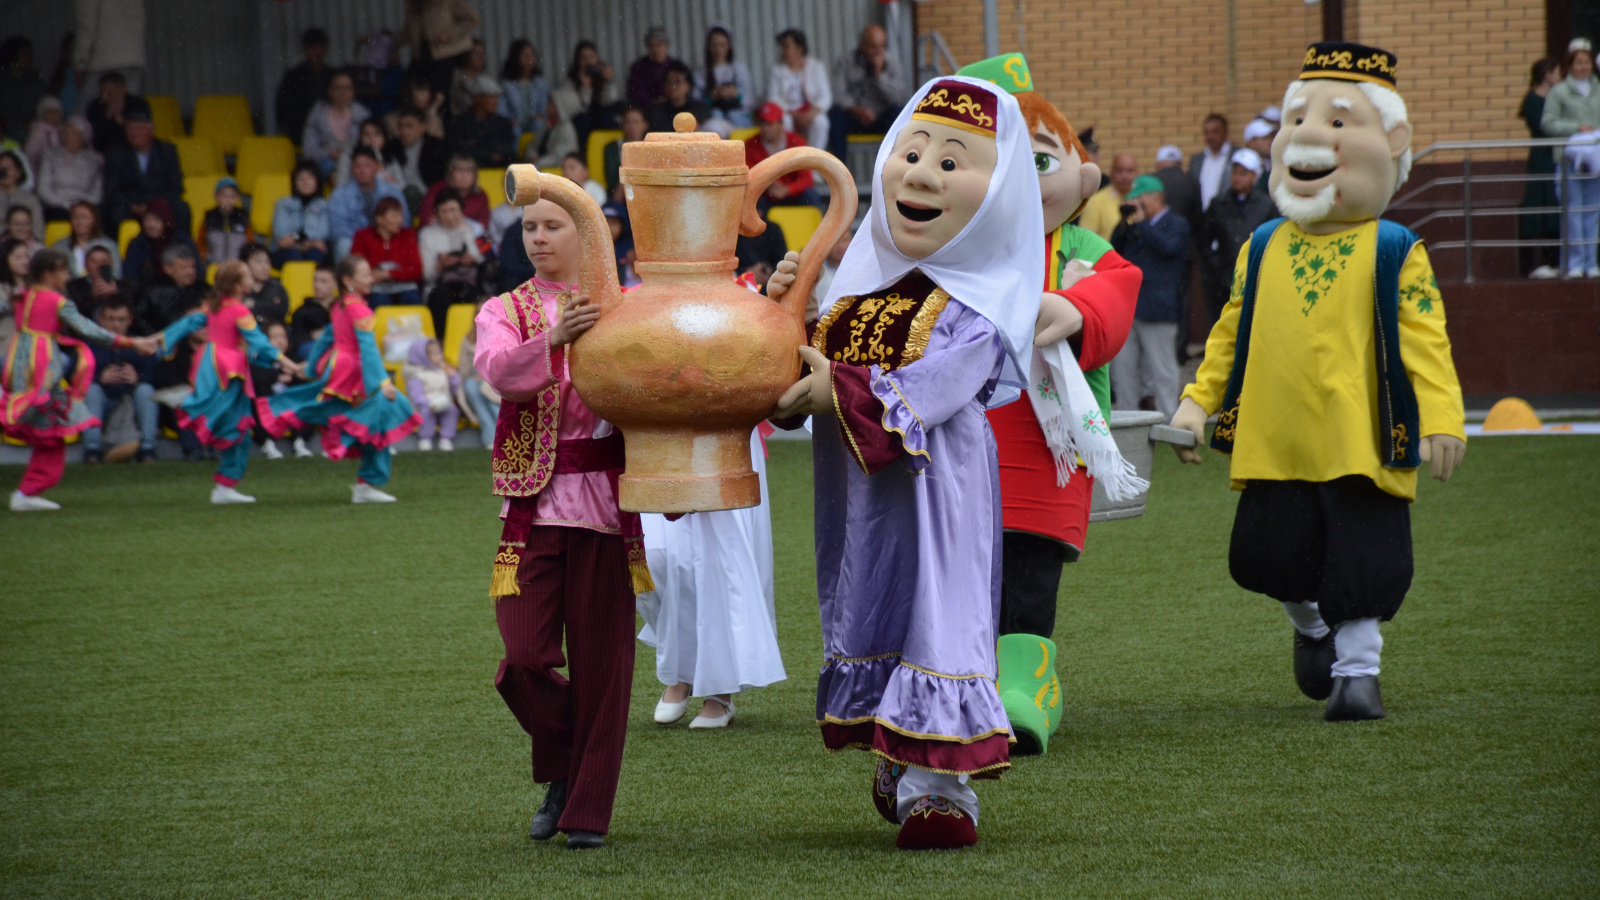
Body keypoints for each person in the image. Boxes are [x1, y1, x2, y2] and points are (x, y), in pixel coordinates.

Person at [767, 75, 1043, 850]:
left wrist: (839, 389)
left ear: (999, 197)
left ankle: (941, 792)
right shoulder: (859, 290)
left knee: (939, 617)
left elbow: (945, 381)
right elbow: (796, 364)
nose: (922, 173)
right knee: (876, 606)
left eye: (953, 164)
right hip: (862, 494)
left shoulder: (984, 302)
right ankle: (897, 750)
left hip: (939, 490)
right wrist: (779, 306)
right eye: (912, 152)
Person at [1170, 41, 1466, 722]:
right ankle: (1310, 627)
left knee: (1365, 559)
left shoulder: (1394, 249)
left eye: (1337, 122)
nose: (1308, 136)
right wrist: (1194, 402)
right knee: (1265, 556)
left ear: (1391, 144)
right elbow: (1228, 335)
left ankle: (1359, 674)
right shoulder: (1264, 244)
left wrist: (1443, 417)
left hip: (1360, 437)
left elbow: (1428, 343)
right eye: (1298, 119)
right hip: (1275, 437)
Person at [955, 53, 1144, 756]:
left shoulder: (1081, 246)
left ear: (1082, 173)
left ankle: (1027, 688)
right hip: (961, 440)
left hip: (1047, 443)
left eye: (1037, 160)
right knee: (963, 569)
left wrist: (1071, 303)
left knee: (1028, 571)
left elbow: (1117, 289)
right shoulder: (950, 253)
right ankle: (966, 685)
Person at [475, 194, 654, 852]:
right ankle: (564, 760)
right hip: (534, 506)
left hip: (609, 507)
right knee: (522, 658)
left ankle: (585, 812)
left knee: (605, 668)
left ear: (590, 234)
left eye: (554, 225)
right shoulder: (505, 310)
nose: (539, 238)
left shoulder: (631, 305)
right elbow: (497, 372)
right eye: (530, 227)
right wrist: (551, 339)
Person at [638, 423, 783, 730]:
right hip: (659, 420)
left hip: (725, 419)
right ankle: (683, 670)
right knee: (654, 558)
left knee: (719, 560)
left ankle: (720, 689)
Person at [2, 248, 157, 511]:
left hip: (18, 363)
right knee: (51, 425)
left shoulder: (22, 295)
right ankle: (27, 492)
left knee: (41, 424)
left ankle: (28, 491)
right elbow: (91, 330)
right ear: (49, 274)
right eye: (63, 271)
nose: (68, 275)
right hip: (41, 366)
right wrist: (133, 342)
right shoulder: (57, 301)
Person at [259, 254, 421, 503]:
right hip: (352, 373)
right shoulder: (358, 309)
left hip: (342, 369)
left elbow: (327, 336)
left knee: (366, 420)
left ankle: (365, 481)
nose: (371, 278)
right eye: (365, 274)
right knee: (377, 415)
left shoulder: (342, 304)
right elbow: (367, 348)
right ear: (348, 280)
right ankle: (364, 479)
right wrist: (383, 382)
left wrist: (311, 367)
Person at [156, 260, 304, 504]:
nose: (251, 279)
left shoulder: (215, 305)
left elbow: (188, 323)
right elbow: (260, 342)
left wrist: (160, 340)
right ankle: (192, 405)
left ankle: (224, 485)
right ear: (237, 285)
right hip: (227, 368)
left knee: (235, 428)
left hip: (212, 365)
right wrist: (289, 364)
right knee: (233, 425)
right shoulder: (239, 310)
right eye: (247, 276)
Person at [1110, 174, 1188, 419]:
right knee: (1123, 370)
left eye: (1140, 199)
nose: (1136, 205)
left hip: (1159, 308)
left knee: (1162, 370)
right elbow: (1115, 250)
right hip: (1129, 307)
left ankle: (1169, 419)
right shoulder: (1134, 225)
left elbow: (1169, 249)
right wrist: (1125, 223)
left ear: (1157, 197)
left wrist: (1143, 224)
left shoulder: (1177, 224)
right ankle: (1126, 419)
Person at [1542, 38, 1600, 278]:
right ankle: (1574, 263)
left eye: (1587, 62)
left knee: (1593, 211)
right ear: (1570, 65)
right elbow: (1548, 123)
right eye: (1579, 62)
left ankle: (1591, 262)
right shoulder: (1559, 91)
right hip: (1570, 160)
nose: (1584, 67)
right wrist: (1577, 127)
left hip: (1596, 161)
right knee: (1573, 211)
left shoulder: (1598, 88)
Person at [1199, 148, 1277, 325]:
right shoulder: (1218, 203)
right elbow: (1204, 239)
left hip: (1256, 276)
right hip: (1224, 278)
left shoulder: (1266, 205)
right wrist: (1216, 265)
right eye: (1235, 172)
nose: (1237, 177)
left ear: (1255, 176)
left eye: (1244, 173)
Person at [81, 294, 158, 464]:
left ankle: (147, 450)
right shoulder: (90, 345)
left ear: (130, 320)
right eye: (111, 319)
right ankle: (92, 450)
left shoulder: (140, 345)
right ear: (101, 319)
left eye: (121, 319)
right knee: (91, 390)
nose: (116, 324)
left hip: (131, 401)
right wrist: (99, 378)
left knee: (146, 390)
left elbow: (154, 377)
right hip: (104, 402)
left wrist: (138, 379)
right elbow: (76, 378)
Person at [828, 25, 910, 160]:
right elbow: (838, 94)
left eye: (882, 46)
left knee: (899, 113)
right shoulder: (845, 62)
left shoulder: (891, 63)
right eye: (873, 47)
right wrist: (859, 111)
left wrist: (879, 76)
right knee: (834, 115)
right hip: (854, 117)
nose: (879, 51)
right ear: (862, 45)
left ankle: (890, 165)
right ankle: (839, 168)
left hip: (881, 118)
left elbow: (900, 97)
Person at [102, 110, 187, 237]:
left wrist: (155, 205)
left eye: (139, 128)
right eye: (130, 129)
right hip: (130, 205)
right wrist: (131, 206)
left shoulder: (167, 151)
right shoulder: (116, 153)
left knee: (181, 209)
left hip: (159, 202)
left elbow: (176, 186)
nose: (134, 133)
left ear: (151, 131)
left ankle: (182, 251)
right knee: (112, 212)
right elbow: (111, 189)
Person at [545, 41, 620, 168]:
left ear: (597, 59)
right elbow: (572, 107)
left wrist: (609, 81)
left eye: (591, 57)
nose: (588, 61)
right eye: (583, 58)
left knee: (608, 118)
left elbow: (611, 102)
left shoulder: (602, 80)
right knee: (582, 120)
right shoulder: (570, 82)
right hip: (580, 124)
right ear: (578, 61)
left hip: (598, 120)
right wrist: (583, 84)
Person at [1521, 58, 1564, 279]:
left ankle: (1553, 260)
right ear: (1547, 74)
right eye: (1557, 72)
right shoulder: (1534, 100)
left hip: (1553, 156)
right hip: (1542, 157)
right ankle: (1534, 264)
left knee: (1553, 205)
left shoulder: (1556, 98)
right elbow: (1543, 127)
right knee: (1540, 202)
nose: (1560, 76)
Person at [418, 188, 483, 334]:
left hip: (470, 282)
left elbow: (486, 260)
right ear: (436, 213)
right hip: (441, 285)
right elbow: (426, 276)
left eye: (453, 210)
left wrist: (473, 259)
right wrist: (440, 266)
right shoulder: (427, 235)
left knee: (479, 297)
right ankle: (441, 343)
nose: (449, 216)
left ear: (462, 211)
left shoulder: (474, 230)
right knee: (440, 296)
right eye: (444, 211)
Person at [329, 146, 408, 260]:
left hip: (386, 237)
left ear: (377, 167)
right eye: (357, 166)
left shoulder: (392, 191)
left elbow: (404, 221)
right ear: (352, 168)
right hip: (355, 239)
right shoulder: (340, 194)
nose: (362, 171)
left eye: (368, 165)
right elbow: (337, 228)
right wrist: (366, 239)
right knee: (343, 244)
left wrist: (382, 237)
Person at [350, 196, 423, 307]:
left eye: (401, 215)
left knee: (412, 300)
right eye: (394, 216)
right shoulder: (362, 236)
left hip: (405, 288)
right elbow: (357, 268)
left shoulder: (409, 235)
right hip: (375, 289)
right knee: (379, 301)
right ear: (379, 218)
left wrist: (387, 274)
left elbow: (416, 270)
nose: (400, 220)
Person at [73, 0, 147, 109]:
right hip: (134, 60)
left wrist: (80, 63)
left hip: (105, 61)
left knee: (84, 115)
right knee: (129, 113)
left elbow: (86, 27)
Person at [766, 29, 830, 153]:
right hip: (787, 112)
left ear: (800, 48)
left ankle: (814, 163)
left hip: (809, 111)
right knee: (785, 122)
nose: (782, 51)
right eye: (782, 47)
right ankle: (791, 161)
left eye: (786, 47)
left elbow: (825, 97)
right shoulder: (775, 70)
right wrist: (794, 114)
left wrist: (810, 114)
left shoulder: (816, 66)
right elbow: (772, 98)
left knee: (821, 122)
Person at [744, 102, 816, 210]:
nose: (765, 128)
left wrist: (788, 189)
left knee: (810, 195)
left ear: (781, 124)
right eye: (762, 123)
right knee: (749, 199)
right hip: (764, 195)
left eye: (769, 124)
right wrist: (766, 185)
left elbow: (807, 178)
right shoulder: (750, 144)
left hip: (792, 194)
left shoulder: (796, 142)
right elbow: (747, 177)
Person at [401, 0, 479, 99]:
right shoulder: (414, 5)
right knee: (412, 92)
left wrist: (449, 36)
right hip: (421, 57)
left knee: (441, 94)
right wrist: (390, 41)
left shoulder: (447, 2)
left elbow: (471, 20)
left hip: (444, 56)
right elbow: (408, 32)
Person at [303, 72, 371, 177]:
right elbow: (308, 150)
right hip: (326, 164)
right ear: (329, 90)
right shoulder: (317, 114)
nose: (343, 92)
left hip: (356, 162)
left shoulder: (362, 114)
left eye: (348, 88)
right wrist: (328, 153)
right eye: (338, 87)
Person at [36, 116, 102, 218]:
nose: (68, 136)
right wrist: (65, 204)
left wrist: (83, 206)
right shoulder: (50, 156)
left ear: (84, 137)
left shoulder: (94, 160)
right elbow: (43, 189)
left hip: (85, 206)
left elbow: (97, 192)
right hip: (57, 206)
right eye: (65, 132)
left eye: (73, 133)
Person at [275, 28, 331, 146]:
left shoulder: (331, 75)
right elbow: (283, 109)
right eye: (313, 48)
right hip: (300, 133)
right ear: (305, 50)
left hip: (329, 132)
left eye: (320, 48)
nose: (317, 53)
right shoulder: (292, 77)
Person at [694, 25, 755, 133]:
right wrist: (711, 97)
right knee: (715, 117)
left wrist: (736, 94)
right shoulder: (700, 72)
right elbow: (696, 101)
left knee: (734, 116)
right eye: (714, 45)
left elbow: (750, 100)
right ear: (708, 47)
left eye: (722, 45)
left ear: (729, 46)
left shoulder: (739, 69)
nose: (718, 49)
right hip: (714, 115)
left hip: (737, 115)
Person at [388, 107, 450, 211]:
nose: (404, 131)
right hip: (397, 195)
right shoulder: (392, 147)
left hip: (427, 197)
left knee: (411, 192)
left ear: (423, 127)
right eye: (401, 126)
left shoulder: (436, 147)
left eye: (409, 126)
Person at [121, 198, 193, 288]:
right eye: (147, 219)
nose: (151, 225)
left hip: (182, 291)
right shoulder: (137, 245)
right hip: (147, 294)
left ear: (166, 221)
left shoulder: (182, 241)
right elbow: (130, 278)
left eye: (156, 220)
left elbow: (196, 271)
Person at [402, 337, 459, 450]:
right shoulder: (416, 375)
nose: (440, 356)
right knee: (426, 413)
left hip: (443, 403)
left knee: (452, 410)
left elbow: (453, 390)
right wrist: (430, 403)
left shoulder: (441, 371)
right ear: (423, 357)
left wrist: (453, 377)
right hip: (425, 405)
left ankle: (446, 438)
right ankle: (425, 439)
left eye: (439, 352)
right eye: (435, 354)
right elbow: (416, 396)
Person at [271, 162, 332, 266]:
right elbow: (281, 233)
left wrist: (295, 238)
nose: (305, 182)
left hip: (308, 248)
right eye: (301, 179)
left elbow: (323, 232)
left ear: (317, 182)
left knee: (315, 256)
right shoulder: (283, 204)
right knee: (293, 256)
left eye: (310, 178)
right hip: (286, 250)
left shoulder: (323, 206)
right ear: (294, 183)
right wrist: (309, 242)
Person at [449, 75, 517, 168]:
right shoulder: (460, 122)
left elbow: (508, 148)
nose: (496, 101)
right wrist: (489, 155)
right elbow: (460, 150)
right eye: (491, 97)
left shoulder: (503, 123)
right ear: (478, 98)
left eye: (496, 97)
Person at [499, 39, 551, 149]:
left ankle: (535, 156)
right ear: (516, 58)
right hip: (515, 123)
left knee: (540, 124)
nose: (529, 59)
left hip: (533, 122)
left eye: (531, 54)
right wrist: (509, 120)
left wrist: (541, 114)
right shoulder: (507, 85)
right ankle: (516, 160)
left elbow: (545, 106)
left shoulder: (541, 84)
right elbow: (502, 109)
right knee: (514, 130)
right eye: (524, 55)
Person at [84, 71, 150, 155]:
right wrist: (107, 116)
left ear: (123, 90)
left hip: (132, 151)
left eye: (109, 93)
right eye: (102, 93)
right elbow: (92, 136)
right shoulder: (95, 106)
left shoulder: (137, 103)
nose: (105, 97)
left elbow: (142, 133)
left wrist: (119, 119)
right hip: (103, 152)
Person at [1076, 151, 1136, 241]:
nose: (1124, 176)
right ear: (1111, 173)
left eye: (1130, 171)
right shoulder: (1095, 201)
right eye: (1119, 171)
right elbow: (1086, 240)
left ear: (1138, 172)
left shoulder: (1144, 198)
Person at [455, 319, 497, 447]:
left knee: (488, 389)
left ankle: (502, 434)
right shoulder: (467, 340)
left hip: (496, 377)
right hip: (474, 378)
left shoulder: (502, 335)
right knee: (470, 386)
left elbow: (504, 363)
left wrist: (484, 375)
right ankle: (491, 436)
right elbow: (463, 369)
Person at [418, 154, 488, 228]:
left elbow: (483, 225)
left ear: (475, 175)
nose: (464, 175)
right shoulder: (437, 190)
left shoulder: (480, 195)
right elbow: (426, 220)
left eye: (469, 170)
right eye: (460, 170)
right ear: (450, 173)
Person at [332, 119, 405, 189]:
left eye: (377, 134)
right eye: (367, 135)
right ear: (361, 137)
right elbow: (340, 185)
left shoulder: (390, 158)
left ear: (384, 138)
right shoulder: (348, 156)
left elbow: (402, 185)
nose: (372, 139)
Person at [53, 201, 119, 277]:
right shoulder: (59, 247)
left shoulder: (110, 246)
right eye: (76, 217)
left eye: (84, 217)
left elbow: (116, 274)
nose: (80, 222)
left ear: (94, 220)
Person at [645, 63, 713, 136]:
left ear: (688, 85)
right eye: (669, 82)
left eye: (677, 82)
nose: (672, 86)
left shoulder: (701, 109)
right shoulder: (656, 112)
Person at [289, 260, 337, 361]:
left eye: (323, 281)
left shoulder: (343, 308)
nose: (317, 285)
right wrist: (311, 336)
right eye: (315, 280)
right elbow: (298, 342)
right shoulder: (302, 312)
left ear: (336, 284)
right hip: (312, 355)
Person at [200, 177, 253, 267]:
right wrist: (206, 257)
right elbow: (200, 242)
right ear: (216, 196)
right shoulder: (209, 218)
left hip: (237, 266)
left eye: (232, 196)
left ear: (237, 198)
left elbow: (250, 242)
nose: (228, 200)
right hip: (213, 265)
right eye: (224, 196)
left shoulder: (243, 218)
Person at [0, 37, 44, 145]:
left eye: (30, 53)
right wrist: (19, 126)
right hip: (10, 129)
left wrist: (34, 122)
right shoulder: (3, 81)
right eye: (24, 54)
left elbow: (44, 103)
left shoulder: (35, 79)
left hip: (35, 126)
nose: (29, 57)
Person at [628, 26, 684, 109]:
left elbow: (684, 90)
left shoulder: (676, 66)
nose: (656, 49)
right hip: (648, 111)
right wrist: (654, 102)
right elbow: (636, 94)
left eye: (659, 45)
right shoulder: (639, 68)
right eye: (651, 46)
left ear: (666, 46)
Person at [1188, 112, 1233, 214]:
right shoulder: (1196, 160)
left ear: (1225, 132)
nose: (1210, 136)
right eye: (1206, 133)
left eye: (1215, 132)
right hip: (1202, 216)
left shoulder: (1235, 156)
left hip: (1227, 214)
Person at [66, 244, 128, 316]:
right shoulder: (73, 287)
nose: (99, 265)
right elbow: (74, 316)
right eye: (94, 261)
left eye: (103, 261)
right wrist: (93, 299)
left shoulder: (123, 287)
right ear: (85, 264)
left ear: (111, 264)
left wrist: (115, 295)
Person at [602, 106, 647, 200]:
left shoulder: (652, 147)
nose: (632, 126)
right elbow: (612, 183)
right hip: (621, 197)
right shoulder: (611, 148)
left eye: (636, 122)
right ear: (622, 125)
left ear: (645, 124)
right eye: (628, 122)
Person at [385, 74, 448, 141]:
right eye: (421, 90)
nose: (427, 95)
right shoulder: (393, 118)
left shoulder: (431, 115)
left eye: (428, 90)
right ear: (409, 92)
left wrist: (432, 110)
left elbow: (437, 141)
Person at [241, 243, 289, 324]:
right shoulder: (238, 287)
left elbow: (281, 312)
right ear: (245, 264)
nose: (265, 267)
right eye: (259, 262)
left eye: (267, 262)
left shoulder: (277, 287)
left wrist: (255, 305)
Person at [0, 151, 43, 240]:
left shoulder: (30, 199)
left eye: (9, 168)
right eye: (1, 168)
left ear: (18, 173)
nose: (4, 172)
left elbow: (38, 232)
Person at [448, 39, 489, 117]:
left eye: (482, 53)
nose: (480, 57)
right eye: (476, 53)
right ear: (466, 55)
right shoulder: (457, 76)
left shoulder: (485, 77)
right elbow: (452, 102)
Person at [25, 95, 65, 171]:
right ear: (43, 116)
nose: (53, 116)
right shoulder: (38, 131)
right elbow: (30, 154)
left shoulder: (64, 130)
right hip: (41, 169)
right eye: (49, 113)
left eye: (56, 112)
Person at [1241, 117, 1275, 190]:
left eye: (1271, 138)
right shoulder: (1241, 166)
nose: (1270, 142)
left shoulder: (1272, 164)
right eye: (1265, 138)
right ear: (1251, 142)